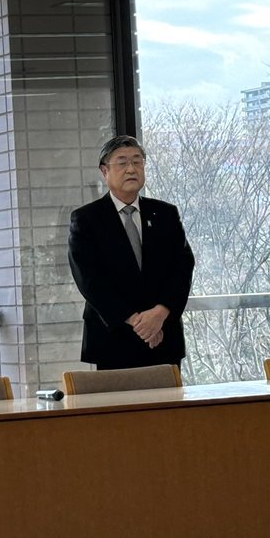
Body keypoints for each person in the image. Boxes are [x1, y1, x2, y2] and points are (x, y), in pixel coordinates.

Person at [68, 135, 195, 370]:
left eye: (137, 162)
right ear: (104, 171)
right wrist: (139, 323)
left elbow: (183, 268)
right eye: (122, 162)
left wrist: (159, 314)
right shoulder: (86, 219)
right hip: (113, 338)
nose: (131, 169)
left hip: (163, 336)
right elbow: (89, 280)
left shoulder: (165, 214)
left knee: (168, 395)